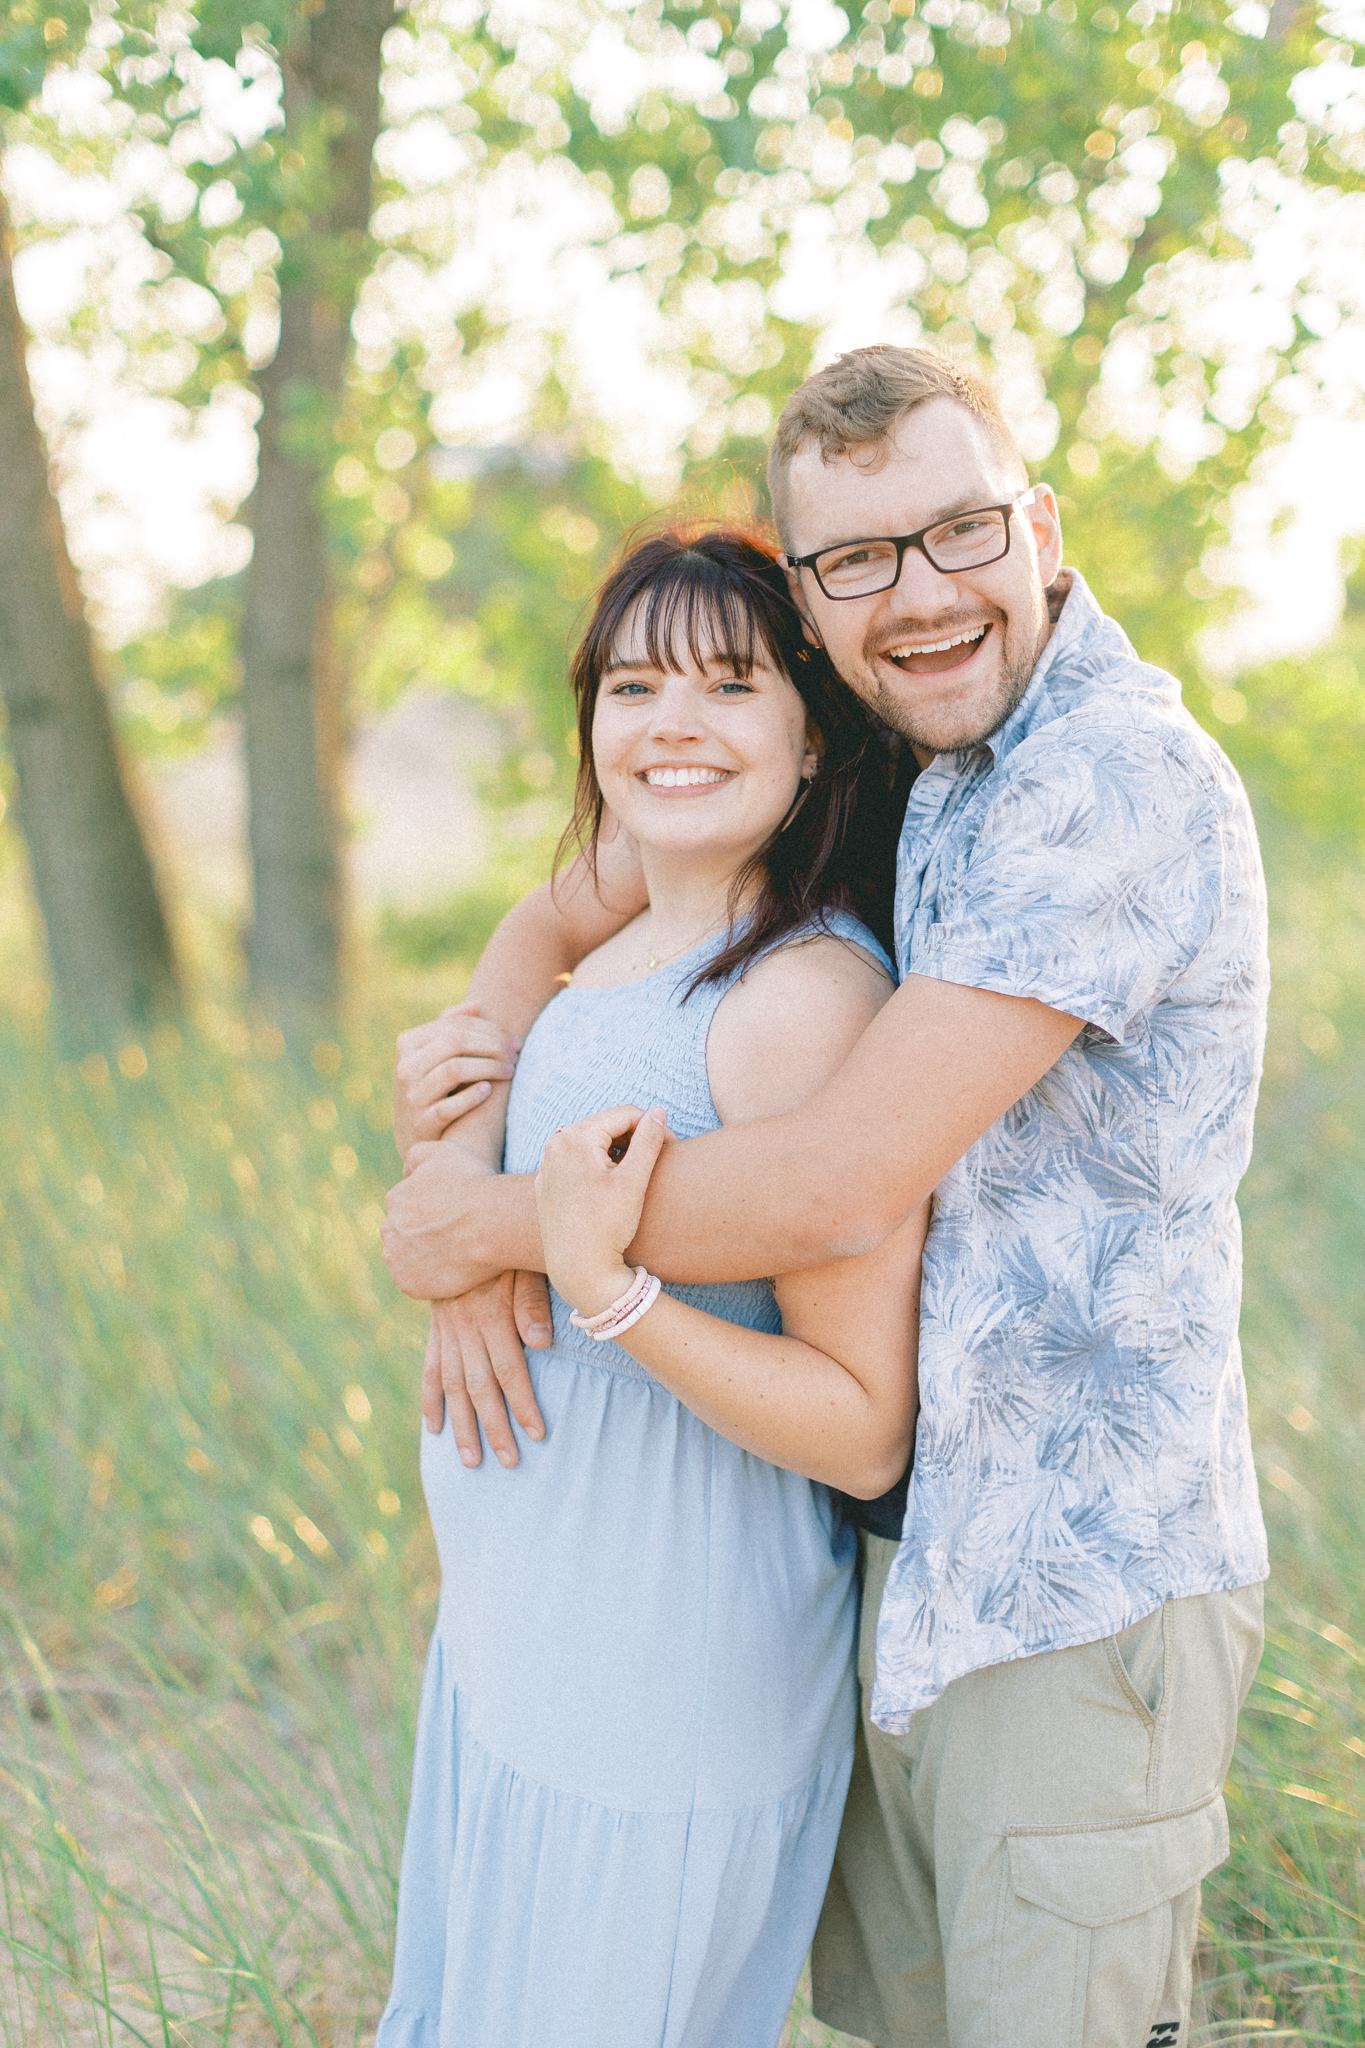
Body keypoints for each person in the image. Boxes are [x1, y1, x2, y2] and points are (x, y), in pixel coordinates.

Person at [384, 345, 1271, 2048]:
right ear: (811, 592)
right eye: (856, 560)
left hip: (1069, 1586)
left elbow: (842, 1179)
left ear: (1040, 526)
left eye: (955, 534)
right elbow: (567, 910)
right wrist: (472, 1095)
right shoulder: (909, 754)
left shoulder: (1106, 782)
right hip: (904, 1568)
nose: (918, 595)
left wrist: (496, 1236)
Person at [375, 525, 928, 2048]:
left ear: (812, 736)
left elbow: (860, 1428)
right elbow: (535, 924)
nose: (669, 722)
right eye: (631, 685)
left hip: (663, 1649)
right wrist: (464, 1182)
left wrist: (596, 1285)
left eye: (727, 684)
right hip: (524, 1643)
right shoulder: (627, 912)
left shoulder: (797, 1001)